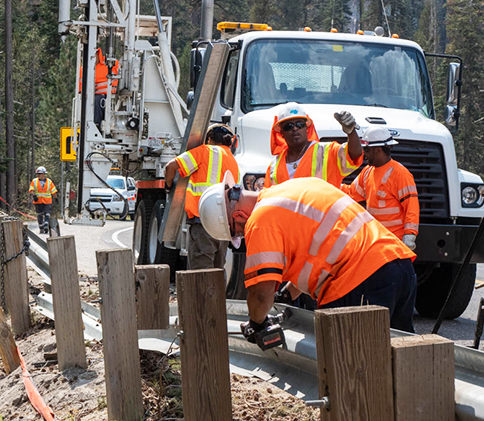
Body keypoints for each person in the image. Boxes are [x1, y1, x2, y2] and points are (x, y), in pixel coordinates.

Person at [197, 176, 417, 333]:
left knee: (354, 369)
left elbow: (261, 293)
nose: (243, 237)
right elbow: (321, 248)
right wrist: (288, 294)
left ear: (239, 216)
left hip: (359, 280)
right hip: (397, 263)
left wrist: (256, 324)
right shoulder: (295, 188)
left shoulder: (260, 222)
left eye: (237, 233)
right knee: (402, 357)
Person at [163, 123, 240, 270]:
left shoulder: (206, 151)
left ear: (209, 139)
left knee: (200, 273)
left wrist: (168, 187)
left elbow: (170, 167)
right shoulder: (233, 161)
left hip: (203, 221)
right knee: (217, 271)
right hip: (224, 226)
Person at [341, 126, 419, 250]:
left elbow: (411, 207)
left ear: (377, 150)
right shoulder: (367, 172)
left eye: (366, 149)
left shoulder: (400, 174)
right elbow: (350, 193)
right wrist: (328, 184)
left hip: (395, 243)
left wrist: (409, 237)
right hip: (376, 241)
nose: (364, 154)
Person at [265, 102, 363, 189]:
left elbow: (354, 154)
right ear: (281, 133)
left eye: (299, 124)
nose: (295, 129)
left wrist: (351, 133)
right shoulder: (274, 166)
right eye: (288, 126)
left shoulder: (326, 151)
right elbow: (267, 199)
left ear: (307, 128)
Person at [79, 47, 120, 129]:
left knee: (99, 100)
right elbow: (81, 89)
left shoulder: (111, 64)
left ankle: (98, 125)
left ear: (98, 54)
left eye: (93, 55)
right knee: (95, 101)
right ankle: (95, 125)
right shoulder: (83, 70)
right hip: (94, 97)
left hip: (111, 96)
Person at [29, 166, 58, 234]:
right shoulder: (34, 181)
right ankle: (41, 228)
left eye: (41, 174)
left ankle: (46, 225)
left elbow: (53, 191)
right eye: (38, 174)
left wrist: (56, 198)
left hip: (47, 201)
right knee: (39, 214)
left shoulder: (49, 182)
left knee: (47, 213)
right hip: (38, 201)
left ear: (44, 174)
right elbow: (31, 190)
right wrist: (34, 195)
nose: (39, 175)